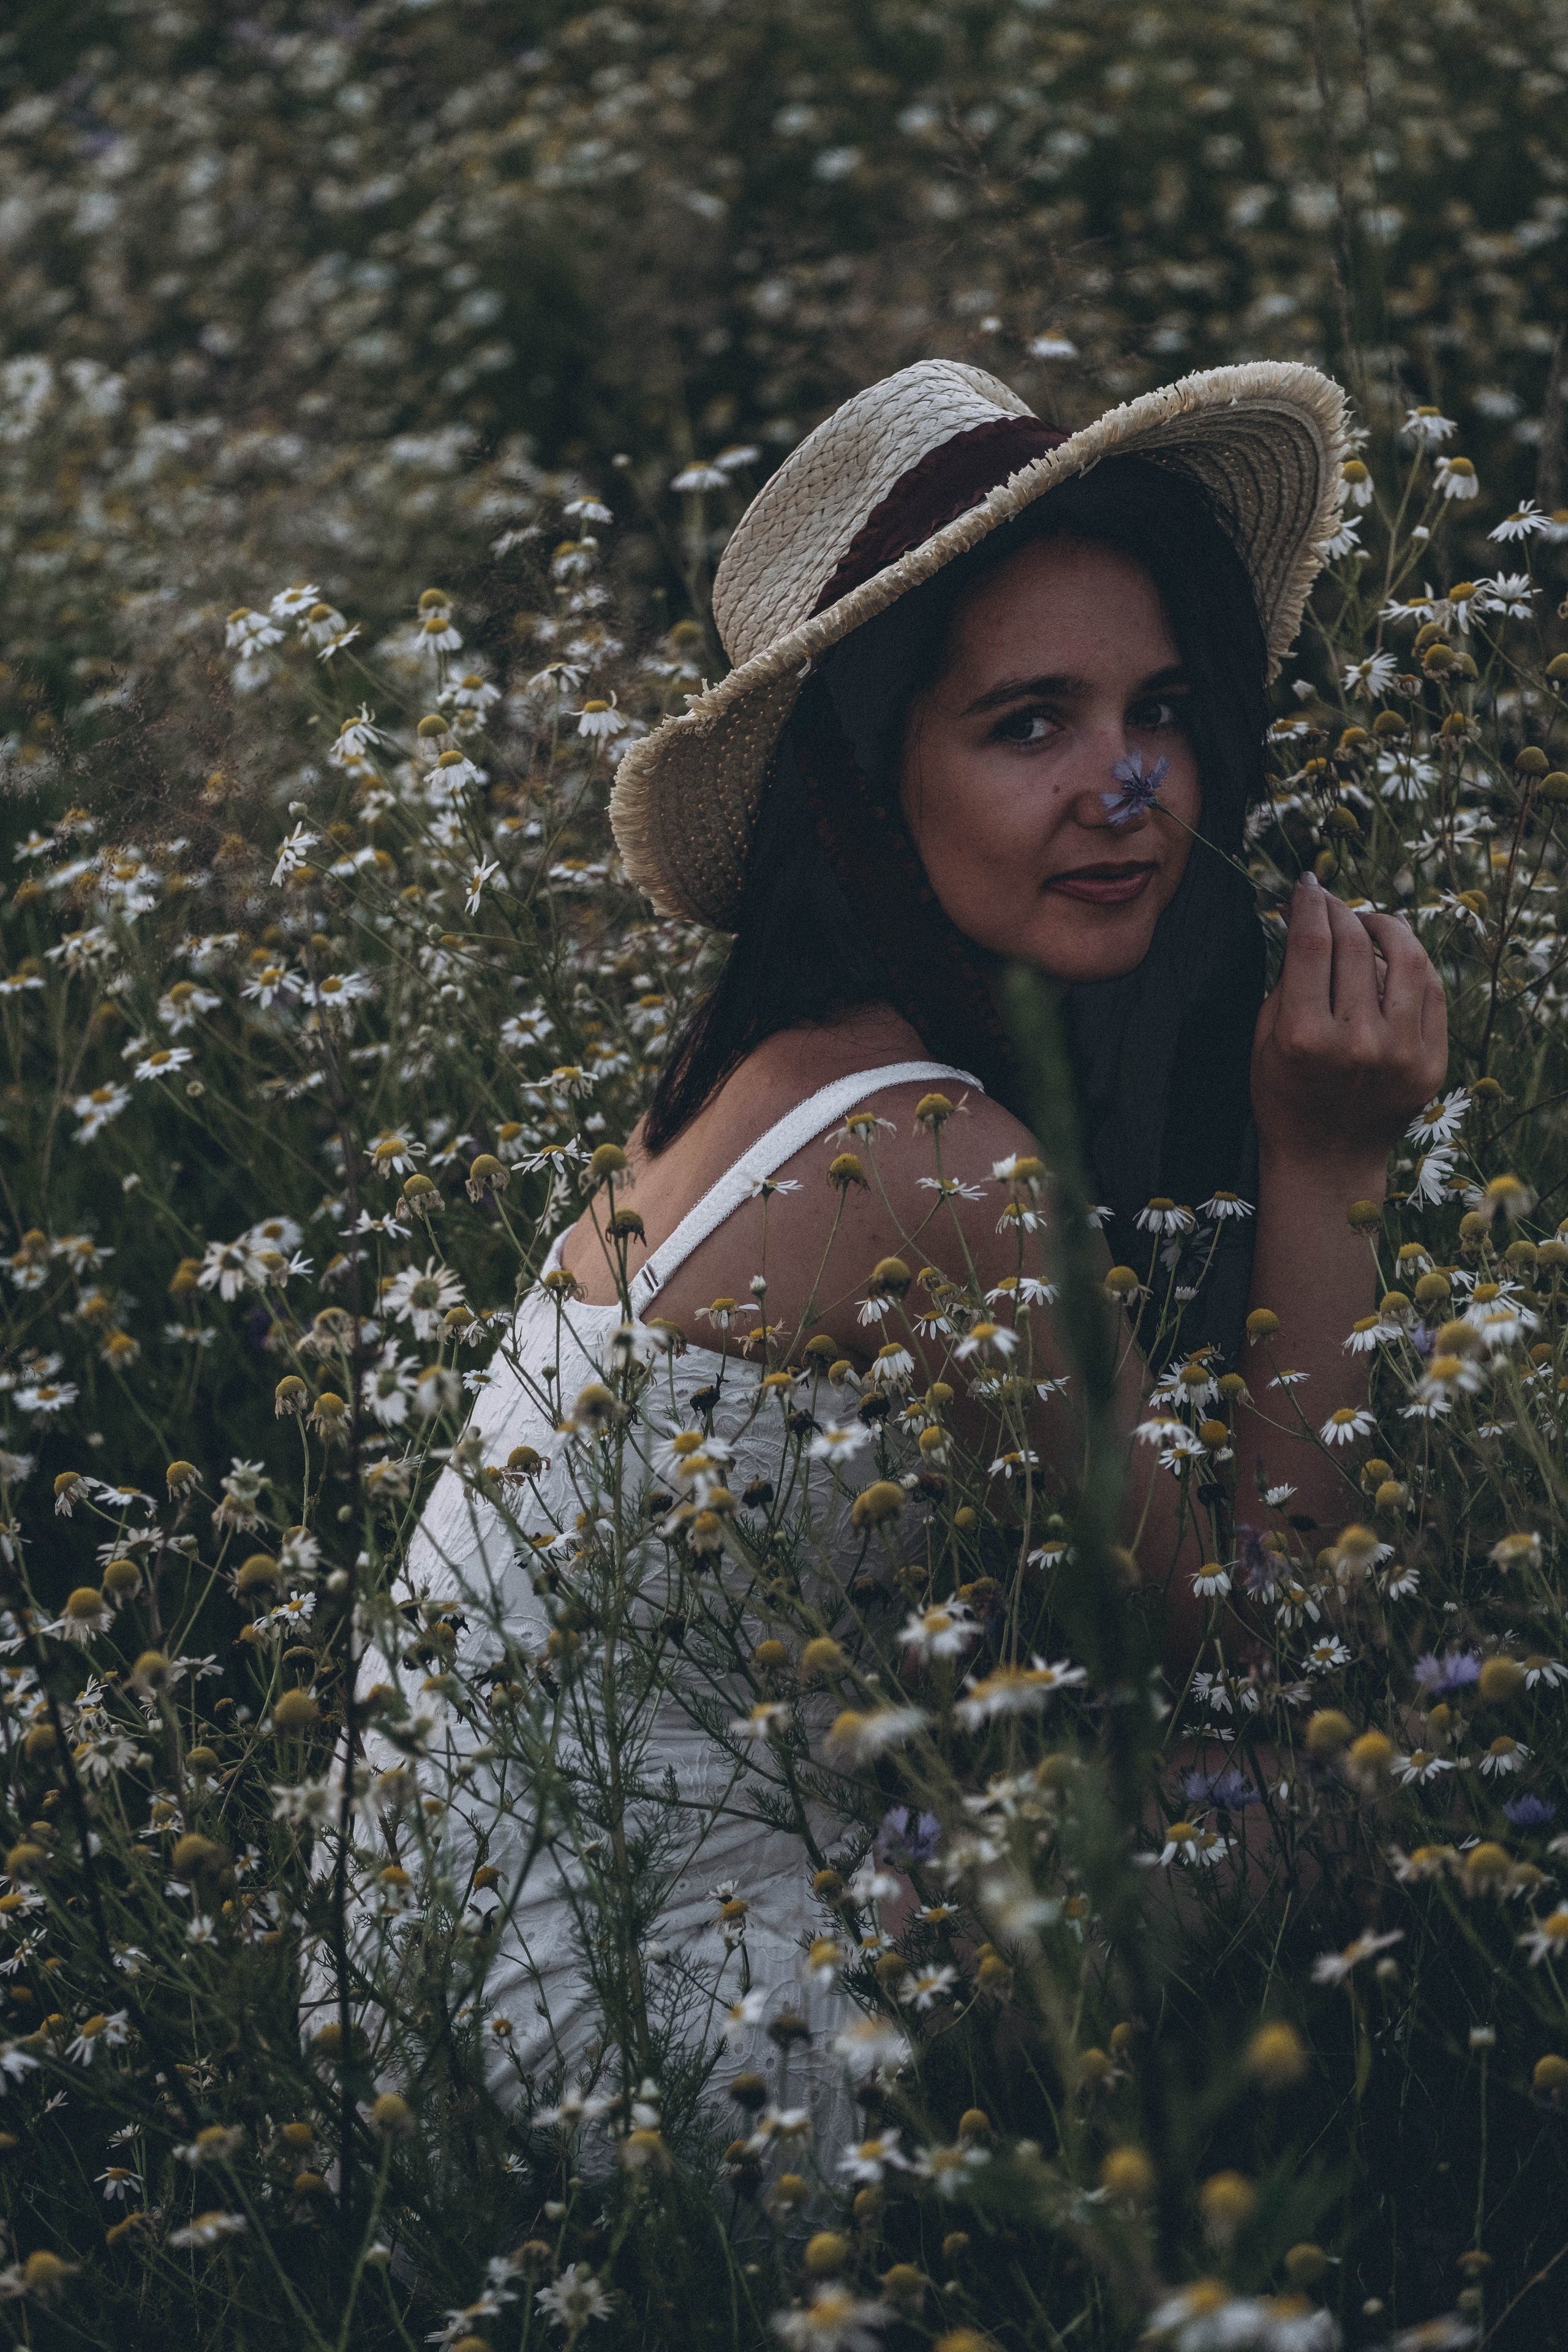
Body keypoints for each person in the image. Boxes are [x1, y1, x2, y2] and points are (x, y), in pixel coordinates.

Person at [404, 358, 1447, 2113]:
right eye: (1029, 722)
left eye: (1163, 708)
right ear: (862, 784)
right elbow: (1285, 1660)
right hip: (626, 2054)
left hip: (448, 1989)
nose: (1130, 787)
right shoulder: (921, 1156)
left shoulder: (775, 1075)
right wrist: (1328, 1162)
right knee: (1338, 1799)